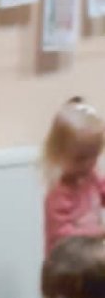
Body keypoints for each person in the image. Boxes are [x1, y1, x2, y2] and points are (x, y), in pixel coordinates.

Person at [44, 97, 105, 254]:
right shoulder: (59, 192)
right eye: (80, 159)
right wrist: (98, 233)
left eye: (94, 156)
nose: (88, 164)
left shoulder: (91, 177)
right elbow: (62, 235)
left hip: (89, 255)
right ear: (58, 153)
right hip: (67, 262)